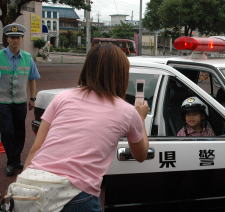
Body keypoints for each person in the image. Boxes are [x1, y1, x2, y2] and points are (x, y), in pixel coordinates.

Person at [6, 44, 150, 212]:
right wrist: (140, 118)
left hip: (30, 186)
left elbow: (36, 148)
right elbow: (141, 155)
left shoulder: (62, 98)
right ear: (121, 75)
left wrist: (25, 182)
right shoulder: (127, 111)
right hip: (76, 195)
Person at [0, 23, 40, 176]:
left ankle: (16, 160)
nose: (15, 40)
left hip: (20, 102)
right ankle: (12, 162)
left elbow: (32, 79)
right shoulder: (0, 56)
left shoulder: (28, 58)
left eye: (17, 37)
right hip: (3, 102)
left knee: (20, 132)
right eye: (12, 37)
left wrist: (33, 98)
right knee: (7, 132)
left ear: (22, 39)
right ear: (7, 39)